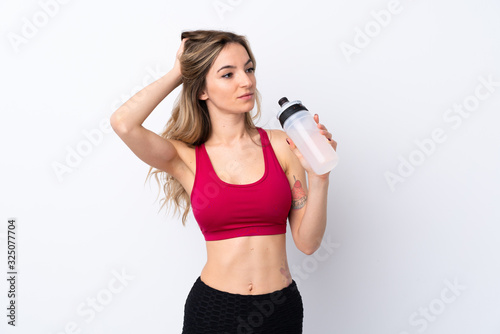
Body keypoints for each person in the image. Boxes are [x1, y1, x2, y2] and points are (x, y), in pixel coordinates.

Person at [110, 29, 337, 334]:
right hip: (214, 311)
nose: (246, 81)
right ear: (202, 89)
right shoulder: (186, 157)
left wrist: (319, 177)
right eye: (228, 74)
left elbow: (307, 243)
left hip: (280, 310)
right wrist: (179, 72)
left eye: (249, 69)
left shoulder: (282, 145)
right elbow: (123, 124)